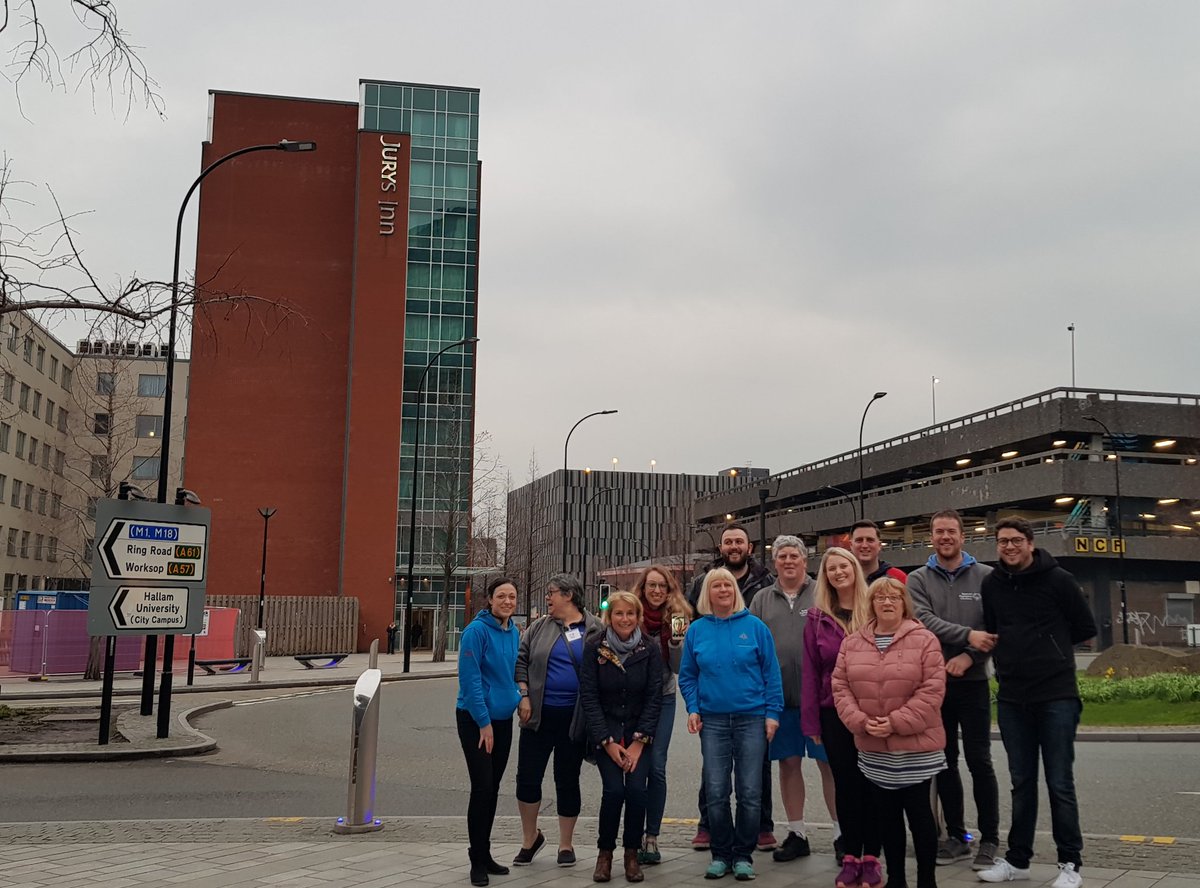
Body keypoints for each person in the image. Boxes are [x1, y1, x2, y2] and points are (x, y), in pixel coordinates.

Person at [977, 518, 1097, 888]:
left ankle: (1070, 863)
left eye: (1015, 540)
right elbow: (994, 628)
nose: (1009, 547)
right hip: (1013, 697)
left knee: (1060, 782)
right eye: (1002, 541)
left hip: (1056, 695)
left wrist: (1048, 647)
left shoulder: (1059, 580)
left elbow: (1085, 627)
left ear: (1030, 543)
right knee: (1021, 782)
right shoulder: (991, 584)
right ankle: (1018, 861)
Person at [834, 577, 947, 888]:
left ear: (904, 603)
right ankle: (896, 879)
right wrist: (860, 721)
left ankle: (927, 881)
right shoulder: (852, 643)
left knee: (920, 817)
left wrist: (895, 722)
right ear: (870, 604)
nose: (887, 603)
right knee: (887, 818)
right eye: (880, 598)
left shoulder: (925, 640)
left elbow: (933, 689)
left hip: (915, 747)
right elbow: (840, 687)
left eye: (894, 598)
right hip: (874, 747)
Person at [908, 509, 1001, 870]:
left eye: (951, 531)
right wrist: (967, 636)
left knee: (980, 761)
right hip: (935, 685)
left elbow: (994, 626)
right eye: (938, 532)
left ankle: (989, 839)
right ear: (931, 537)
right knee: (944, 762)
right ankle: (957, 837)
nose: (945, 537)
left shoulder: (987, 577)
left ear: (963, 536)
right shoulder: (917, 579)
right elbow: (923, 621)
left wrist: (969, 656)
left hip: (973, 683)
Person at [679, 568, 783, 882]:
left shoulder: (755, 628)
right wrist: (693, 708)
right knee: (716, 790)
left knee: (750, 791)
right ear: (707, 593)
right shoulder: (697, 631)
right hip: (712, 720)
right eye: (716, 586)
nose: (723, 589)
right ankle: (721, 854)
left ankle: (743, 856)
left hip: (752, 718)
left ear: (734, 591)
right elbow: (688, 676)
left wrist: (772, 714)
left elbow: (771, 674)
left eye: (727, 584)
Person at [686, 523, 776, 852]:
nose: (733, 546)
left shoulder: (766, 581)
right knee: (715, 777)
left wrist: (772, 710)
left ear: (749, 547)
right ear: (721, 548)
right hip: (714, 707)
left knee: (756, 775)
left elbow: (769, 663)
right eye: (728, 542)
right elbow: (685, 625)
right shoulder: (701, 584)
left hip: (752, 702)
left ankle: (760, 829)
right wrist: (693, 706)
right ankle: (709, 828)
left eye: (739, 541)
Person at [748, 535, 837, 862]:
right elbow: (753, 645)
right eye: (782, 556)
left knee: (830, 765)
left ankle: (841, 833)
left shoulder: (823, 593)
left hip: (822, 699)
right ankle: (797, 833)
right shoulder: (761, 599)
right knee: (788, 764)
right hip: (780, 700)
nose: (788, 561)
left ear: (804, 561)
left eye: (794, 556)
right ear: (774, 563)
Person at [513, 574, 604, 868]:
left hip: (574, 719)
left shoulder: (595, 628)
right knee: (528, 778)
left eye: (551, 592)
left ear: (568, 595)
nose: (547, 598)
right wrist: (524, 695)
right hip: (537, 715)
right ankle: (530, 838)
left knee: (567, 779)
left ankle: (566, 844)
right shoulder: (539, 627)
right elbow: (521, 661)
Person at [801, 548, 880, 877]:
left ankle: (872, 857)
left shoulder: (874, 609)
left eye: (843, 565)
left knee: (872, 784)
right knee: (845, 785)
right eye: (831, 568)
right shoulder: (816, 618)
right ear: (825, 577)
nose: (838, 572)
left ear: (854, 568)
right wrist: (811, 722)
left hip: (873, 711)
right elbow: (810, 671)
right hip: (833, 713)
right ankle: (850, 856)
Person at [579, 590, 663, 883]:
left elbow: (654, 697)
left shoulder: (650, 648)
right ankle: (605, 853)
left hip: (639, 733)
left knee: (637, 791)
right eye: (619, 613)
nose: (624, 619)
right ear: (609, 616)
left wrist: (639, 742)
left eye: (630, 613)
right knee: (614, 791)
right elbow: (589, 696)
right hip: (608, 732)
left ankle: (631, 853)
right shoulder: (594, 647)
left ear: (638, 617)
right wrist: (607, 741)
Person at [456, 577, 522, 886]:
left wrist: (520, 698)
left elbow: (512, 673)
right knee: (482, 787)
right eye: (502, 596)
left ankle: (485, 852)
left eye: (512, 597)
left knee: (493, 788)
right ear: (490, 600)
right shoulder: (476, 632)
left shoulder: (513, 632)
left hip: (503, 720)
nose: (508, 601)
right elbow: (470, 681)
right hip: (475, 720)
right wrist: (484, 722)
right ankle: (476, 859)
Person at [633, 564, 693, 866]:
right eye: (652, 585)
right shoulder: (631, 615)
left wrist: (676, 644)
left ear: (670, 590)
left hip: (664, 699)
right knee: (635, 769)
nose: (657, 591)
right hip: (632, 701)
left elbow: (679, 668)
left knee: (656, 767)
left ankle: (652, 836)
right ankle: (632, 835)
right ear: (643, 588)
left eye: (662, 586)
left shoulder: (678, 618)